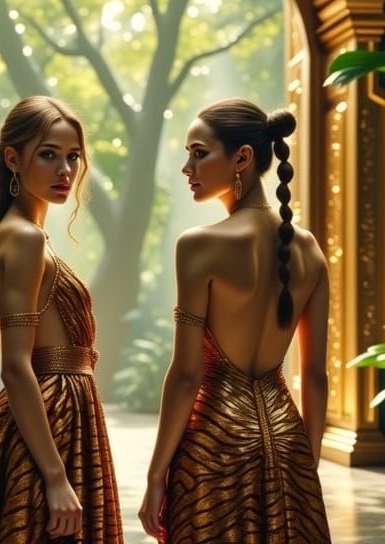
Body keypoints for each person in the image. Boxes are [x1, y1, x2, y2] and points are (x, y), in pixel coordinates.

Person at [138, 98, 331, 543]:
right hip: (286, 442)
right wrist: (306, 464)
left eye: (199, 153)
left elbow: (188, 376)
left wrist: (155, 475)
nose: (188, 167)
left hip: (213, 449)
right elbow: (316, 376)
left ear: (242, 157)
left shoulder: (199, 246)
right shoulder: (311, 251)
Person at [0, 96, 123, 543]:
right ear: (13, 158)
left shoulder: (25, 234)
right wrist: (53, 475)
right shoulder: (25, 239)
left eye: (72, 157)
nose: (64, 169)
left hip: (63, 417)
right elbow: (15, 366)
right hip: (49, 424)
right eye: (48, 154)